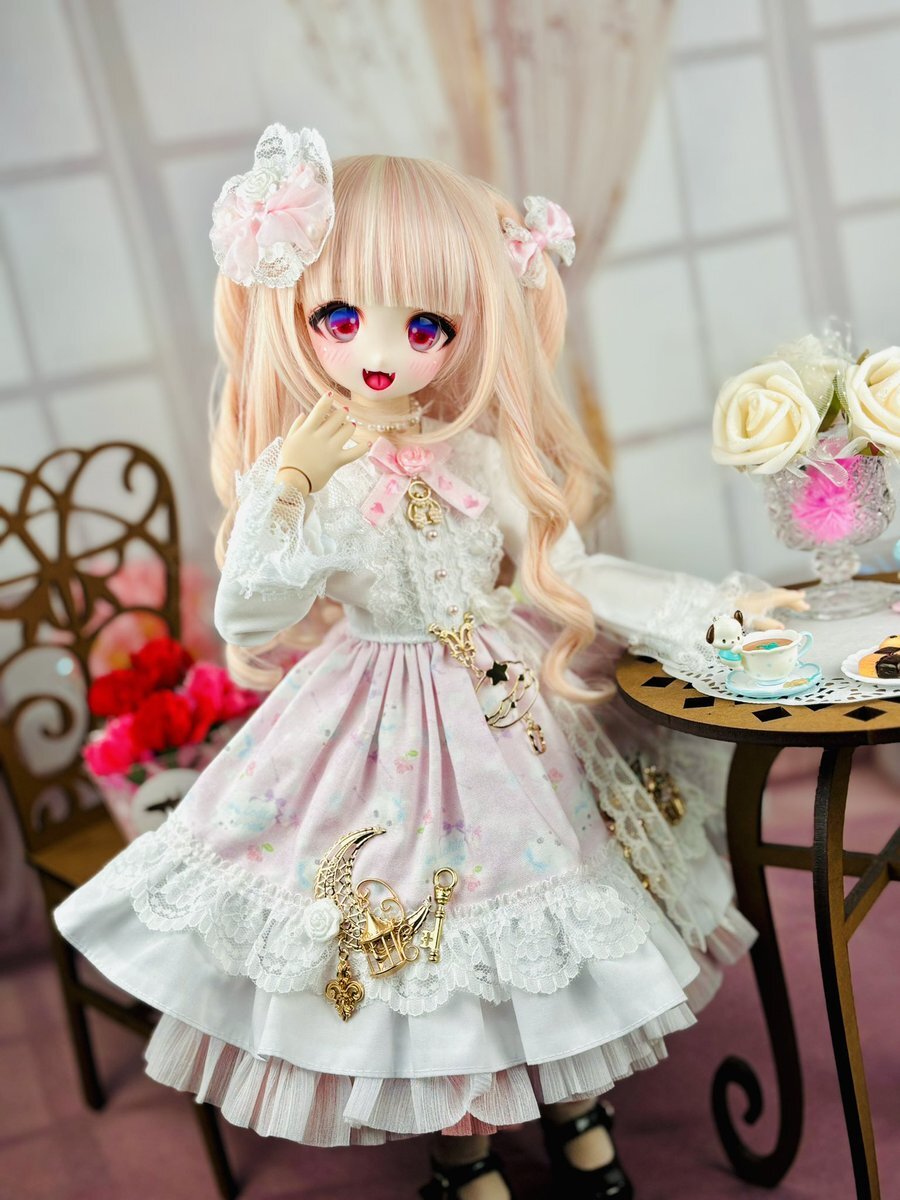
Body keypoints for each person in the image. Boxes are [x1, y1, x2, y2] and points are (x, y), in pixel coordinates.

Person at [55, 125, 807, 1200]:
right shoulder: (304, 475)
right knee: (430, 945)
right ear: (295, 315)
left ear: (467, 328)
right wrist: (289, 487)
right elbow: (252, 610)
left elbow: (568, 573)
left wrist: (714, 609)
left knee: (547, 911)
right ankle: (466, 1152)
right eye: (342, 317)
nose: (382, 350)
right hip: (373, 724)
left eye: (425, 325)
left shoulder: (477, 456)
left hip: (508, 711)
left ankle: (577, 1108)